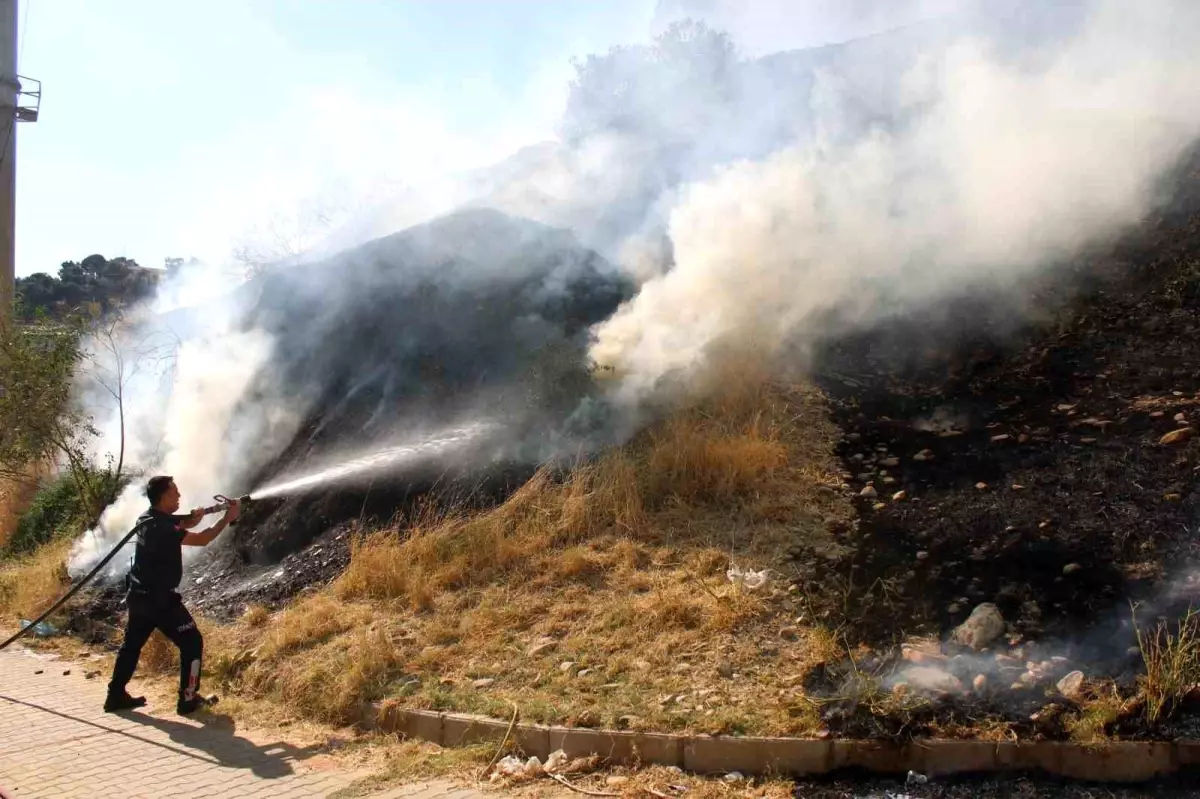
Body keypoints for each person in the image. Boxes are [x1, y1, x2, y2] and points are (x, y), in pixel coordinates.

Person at [104, 475, 240, 715]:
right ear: (164, 497)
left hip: (139, 596)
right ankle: (188, 698)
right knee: (192, 642)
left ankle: (115, 695)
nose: (179, 495)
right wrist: (226, 518)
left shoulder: (146, 519)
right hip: (161, 601)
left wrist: (195, 517)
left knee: (131, 646)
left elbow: (177, 524)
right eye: (175, 492)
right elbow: (203, 539)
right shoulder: (165, 530)